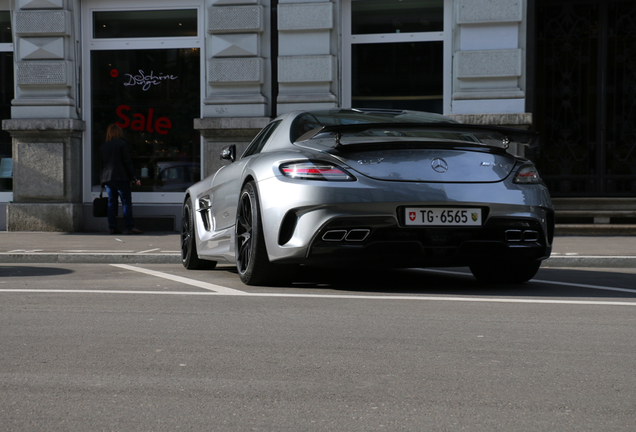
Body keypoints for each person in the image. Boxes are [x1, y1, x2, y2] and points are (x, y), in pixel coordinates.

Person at [100, 124, 143, 235]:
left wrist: (102, 181)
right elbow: (127, 162)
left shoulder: (104, 146)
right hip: (121, 177)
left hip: (108, 178)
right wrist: (135, 176)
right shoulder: (123, 144)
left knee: (111, 203)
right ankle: (130, 226)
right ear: (119, 132)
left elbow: (102, 165)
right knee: (126, 202)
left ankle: (112, 227)